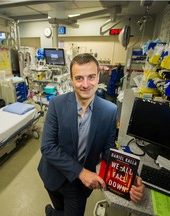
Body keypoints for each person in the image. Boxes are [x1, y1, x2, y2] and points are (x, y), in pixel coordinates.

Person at [37, 53, 145, 216]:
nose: (86, 84)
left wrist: (129, 176)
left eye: (91, 77)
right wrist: (81, 172)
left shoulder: (109, 111)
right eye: (79, 78)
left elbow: (108, 151)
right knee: (60, 208)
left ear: (98, 76)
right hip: (54, 175)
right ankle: (54, 211)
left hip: (80, 185)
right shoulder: (56, 105)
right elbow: (47, 147)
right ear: (71, 79)